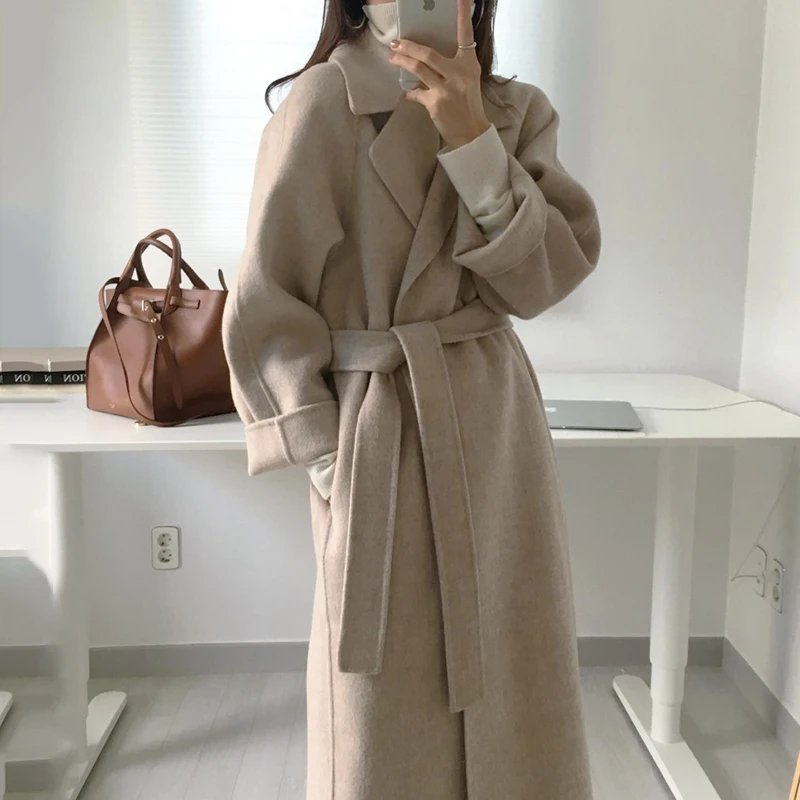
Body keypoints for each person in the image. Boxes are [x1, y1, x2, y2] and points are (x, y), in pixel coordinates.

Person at [221, 0, 601, 797]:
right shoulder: (325, 103)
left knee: (515, 661)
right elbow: (265, 302)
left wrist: (474, 141)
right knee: (382, 705)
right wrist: (330, 460)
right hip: (380, 433)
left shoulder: (515, 112)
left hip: (496, 433)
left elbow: (547, 280)